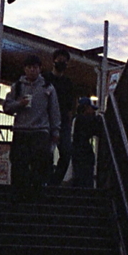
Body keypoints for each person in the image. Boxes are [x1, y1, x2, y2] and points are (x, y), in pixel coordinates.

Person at [3, 53, 60, 201]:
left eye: (35, 67)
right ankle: (19, 194)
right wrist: (18, 104)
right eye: (29, 67)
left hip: (40, 131)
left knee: (39, 164)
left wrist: (55, 131)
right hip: (21, 130)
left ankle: (36, 194)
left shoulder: (47, 87)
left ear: (40, 69)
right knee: (19, 164)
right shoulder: (18, 86)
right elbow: (6, 107)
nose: (32, 70)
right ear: (25, 69)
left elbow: (54, 111)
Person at [45, 47, 77, 185]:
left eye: (64, 61)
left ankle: (54, 181)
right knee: (47, 153)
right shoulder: (45, 79)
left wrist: (68, 123)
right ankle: (48, 180)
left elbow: (70, 106)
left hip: (63, 122)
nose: (62, 64)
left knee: (66, 152)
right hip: (46, 121)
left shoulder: (68, 83)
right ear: (54, 61)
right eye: (60, 61)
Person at [71, 97, 103, 188]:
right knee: (85, 177)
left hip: (77, 151)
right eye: (90, 108)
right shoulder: (83, 120)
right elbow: (96, 128)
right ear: (85, 108)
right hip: (82, 152)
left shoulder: (76, 119)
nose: (93, 111)